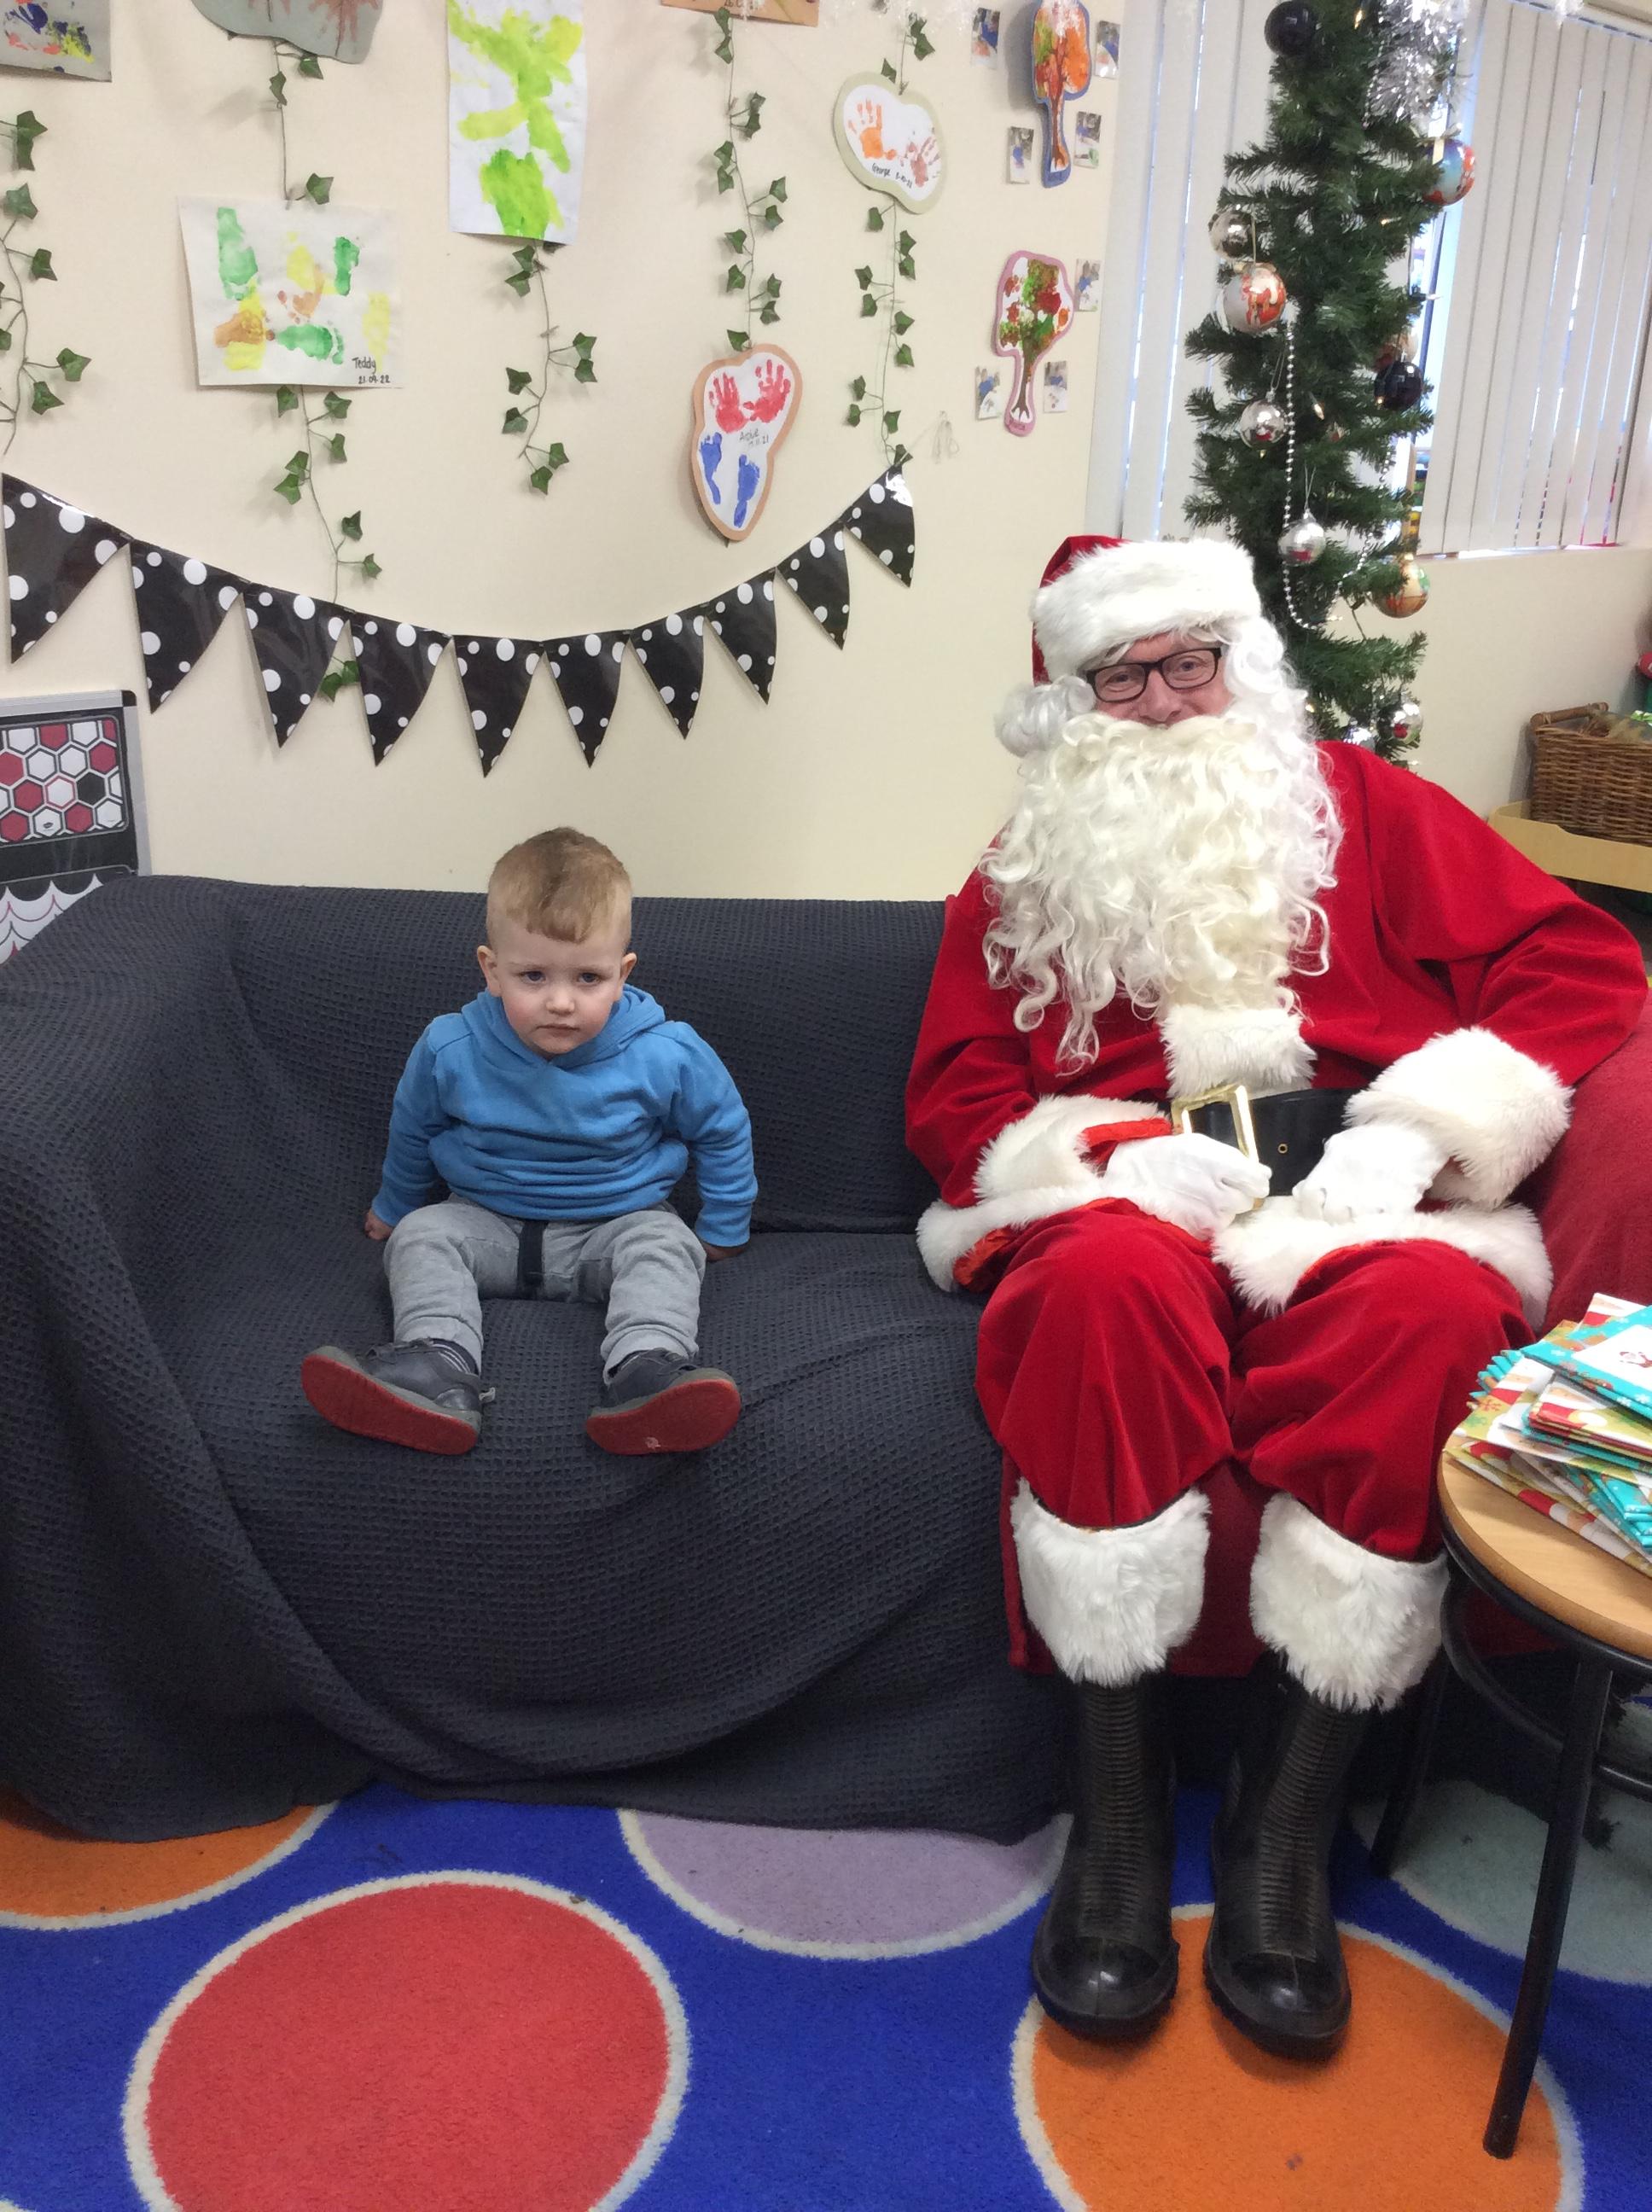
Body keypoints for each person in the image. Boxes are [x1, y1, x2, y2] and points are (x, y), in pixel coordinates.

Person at [905, 536, 1647, 2058]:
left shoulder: (1369, 807)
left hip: (1362, 1193)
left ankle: (1286, 1817)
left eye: (1191, 662)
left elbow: (1578, 964)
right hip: (1145, 1200)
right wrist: (1108, 1154)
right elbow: (962, 1091)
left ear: (1238, 662)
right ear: (1071, 704)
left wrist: (1424, 1131)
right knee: (1094, 1289)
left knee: (1430, 1318)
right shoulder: (1024, 871)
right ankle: (1117, 1811)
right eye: (1125, 677)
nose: (1168, 701)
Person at [303, 826, 755, 1459]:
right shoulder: (450, 1047)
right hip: (485, 1221)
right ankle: (437, 1368)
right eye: (534, 976)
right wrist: (396, 1206)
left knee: (666, 1245)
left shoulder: (668, 1052)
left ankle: (646, 1373)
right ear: (492, 970)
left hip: (614, 1224)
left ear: (623, 974)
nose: (561, 1003)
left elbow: (723, 1130)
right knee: (423, 1236)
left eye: (589, 977)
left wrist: (725, 1225)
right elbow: (413, 1130)